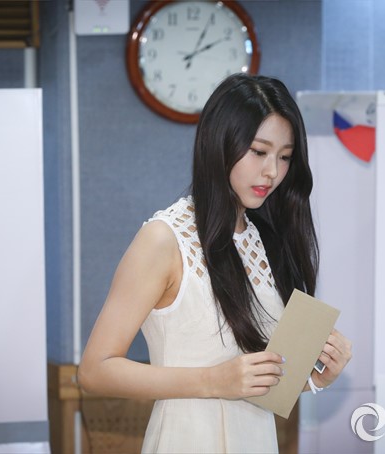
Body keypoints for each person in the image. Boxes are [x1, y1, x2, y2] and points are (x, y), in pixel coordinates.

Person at [78, 73, 352, 453]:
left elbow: (254, 380)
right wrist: (212, 381)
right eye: (259, 151)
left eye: (285, 156)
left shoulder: (268, 239)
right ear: (220, 143)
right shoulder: (164, 239)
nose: (272, 171)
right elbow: (95, 370)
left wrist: (316, 377)